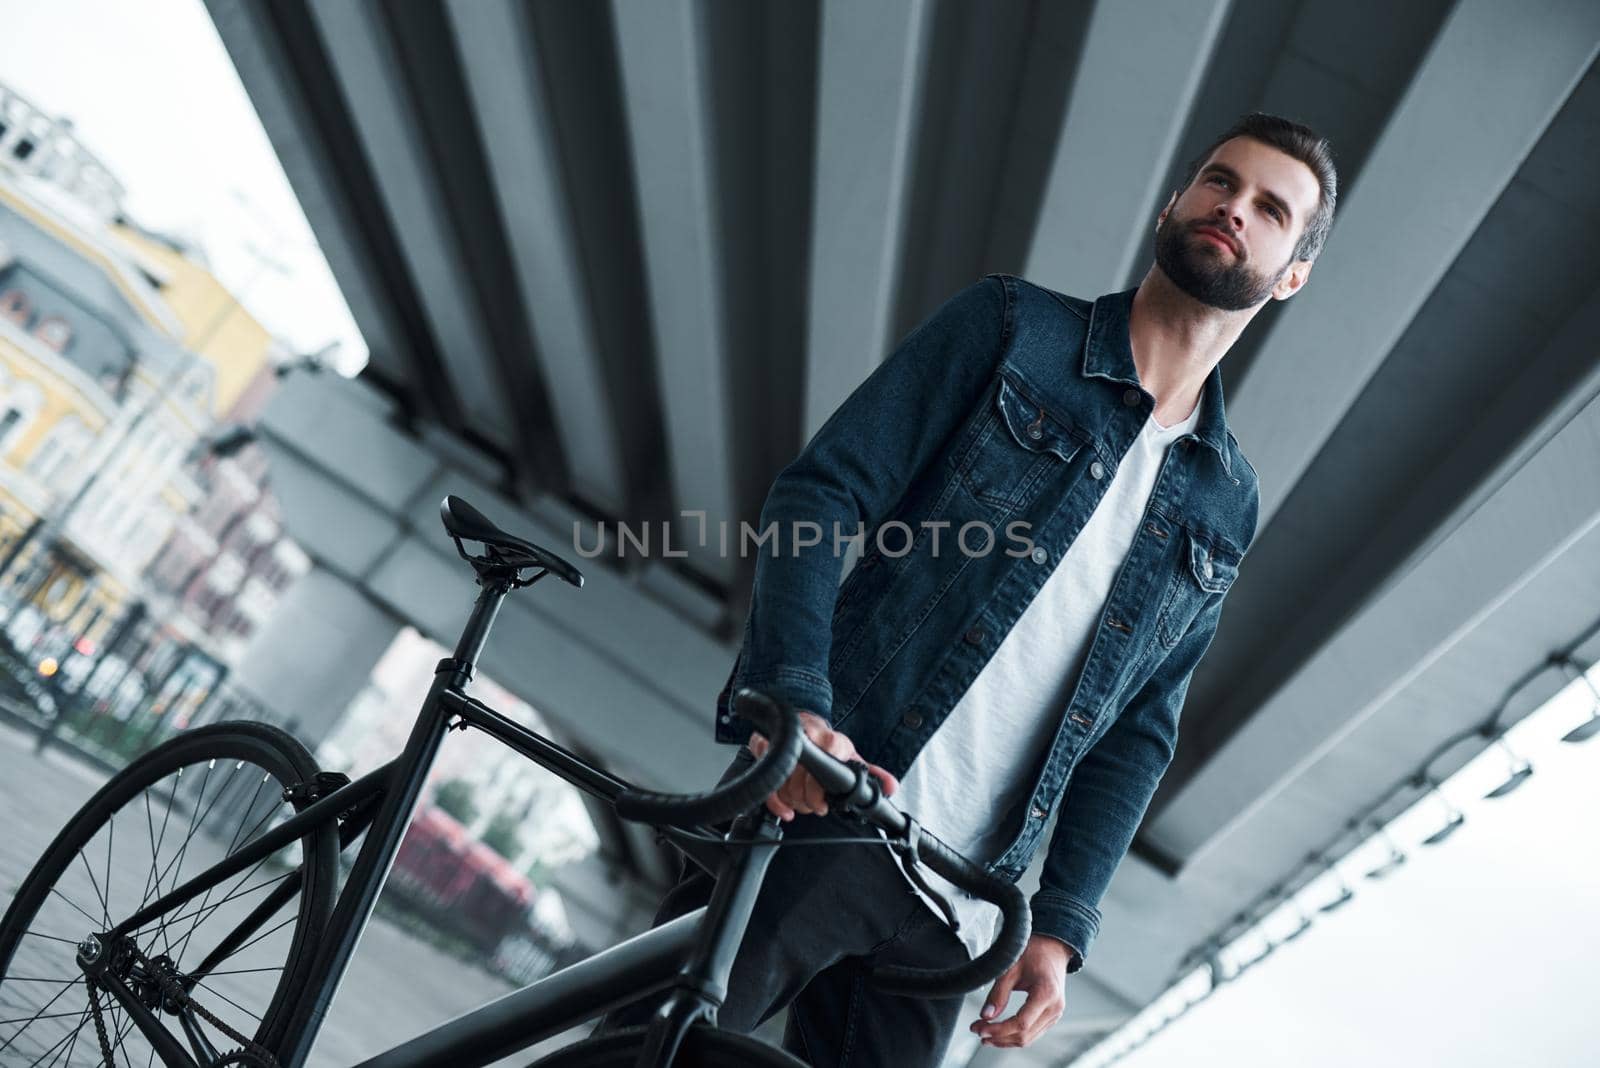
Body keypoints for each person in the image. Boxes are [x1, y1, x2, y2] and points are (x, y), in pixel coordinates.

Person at [606, 112, 1337, 1064]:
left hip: (955, 907)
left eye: (1270, 209)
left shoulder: (1224, 499)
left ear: (1292, 274)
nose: (1232, 208)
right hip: (832, 805)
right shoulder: (1012, 331)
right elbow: (821, 496)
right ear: (1175, 201)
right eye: (1219, 181)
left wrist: (1062, 926)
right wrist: (793, 705)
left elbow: (1141, 731)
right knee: (639, 1058)